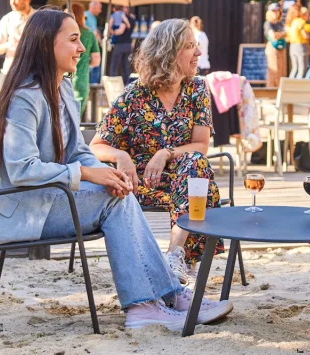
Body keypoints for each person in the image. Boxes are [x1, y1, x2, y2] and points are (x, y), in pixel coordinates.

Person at [0, 7, 231, 331]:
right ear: (48, 44)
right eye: (74, 39)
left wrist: (110, 175)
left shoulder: (60, 88)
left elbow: (77, 150)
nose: (82, 48)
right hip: (14, 209)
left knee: (118, 191)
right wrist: (90, 174)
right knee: (114, 200)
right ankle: (148, 304)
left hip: (41, 198)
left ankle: (165, 297)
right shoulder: (26, 96)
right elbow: (22, 170)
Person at [90, 18, 222, 283]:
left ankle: (174, 254)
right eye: (190, 47)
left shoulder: (197, 88)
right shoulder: (134, 95)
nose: (198, 53)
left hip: (185, 178)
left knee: (196, 164)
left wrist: (166, 152)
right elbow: (95, 147)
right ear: (169, 53)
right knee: (199, 182)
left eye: (197, 45)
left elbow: (201, 146)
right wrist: (121, 155)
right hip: (142, 183)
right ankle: (182, 258)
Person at [0, 0, 35, 73]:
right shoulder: (7, 19)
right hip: (11, 71)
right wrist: (9, 44)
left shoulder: (38, 17)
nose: (12, 3)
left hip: (34, 71)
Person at [71, 3, 101, 116]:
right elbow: (96, 60)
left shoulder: (61, 34)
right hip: (81, 79)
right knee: (75, 120)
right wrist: (84, 62)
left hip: (61, 81)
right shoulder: (89, 34)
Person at [108, 5, 136, 84]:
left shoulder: (123, 18)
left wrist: (112, 32)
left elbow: (121, 30)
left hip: (120, 44)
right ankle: (127, 84)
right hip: (128, 44)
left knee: (114, 65)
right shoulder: (133, 18)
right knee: (126, 66)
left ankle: (112, 84)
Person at [263, 2, 286, 88]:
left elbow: (287, 34)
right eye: (273, 11)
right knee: (273, 70)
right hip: (272, 48)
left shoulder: (280, 23)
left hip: (282, 48)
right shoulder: (268, 23)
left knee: (282, 70)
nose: (275, 13)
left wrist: (279, 35)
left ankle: (280, 91)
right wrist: (282, 34)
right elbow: (272, 36)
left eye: (277, 11)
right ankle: (271, 92)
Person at [286, 3, 309, 78]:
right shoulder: (299, 21)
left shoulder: (289, 22)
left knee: (295, 68)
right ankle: (299, 87)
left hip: (292, 46)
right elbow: (305, 35)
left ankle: (289, 85)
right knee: (302, 68)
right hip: (300, 46)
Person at [84, 0, 103, 85]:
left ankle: (93, 85)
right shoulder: (86, 16)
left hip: (92, 46)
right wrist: (101, 43)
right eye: (99, 8)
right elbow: (94, 32)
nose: (100, 11)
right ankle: (92, 86)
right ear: (93, 7)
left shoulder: (93, 17)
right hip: (88, 47)